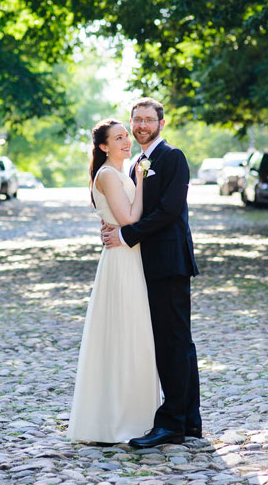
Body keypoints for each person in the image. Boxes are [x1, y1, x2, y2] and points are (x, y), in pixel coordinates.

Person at [101, 98, 201, 448]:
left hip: (170, 262)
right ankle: (189, 420)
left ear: (161, 122)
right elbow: (131, 209)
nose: (141, 126)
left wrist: (127, 235)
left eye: (148, 119)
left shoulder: (172, 157)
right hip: (148, 264)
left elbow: (169, 210)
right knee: (175, 342)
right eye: (136, 120)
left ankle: (172, 422)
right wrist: (114, 225)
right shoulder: (137, 165)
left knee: (173, 342)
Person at [69, 118, 160, 443]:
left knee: (132, 334)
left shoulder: (119, 172)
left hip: (128, 256)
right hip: (121, 260)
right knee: (124, 334)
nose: (126, 141)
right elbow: (129, 219)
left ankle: (132, 413)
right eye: (118, 138)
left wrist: (135, 178)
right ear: (104, 146)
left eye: (126, 136)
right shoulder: (109, 174)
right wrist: (141, 180)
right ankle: (118, 420)